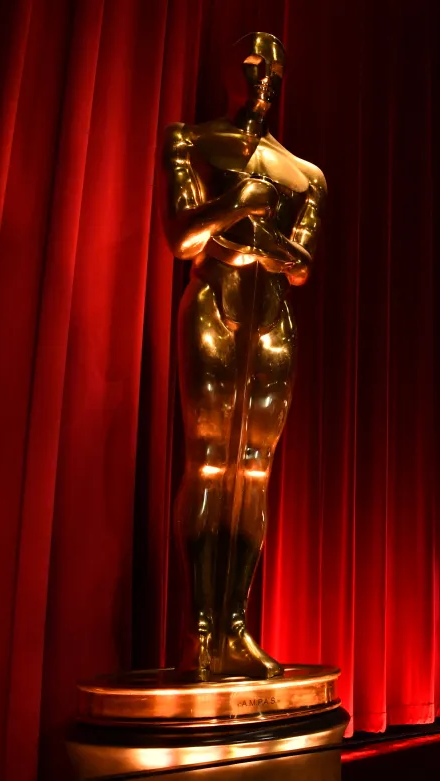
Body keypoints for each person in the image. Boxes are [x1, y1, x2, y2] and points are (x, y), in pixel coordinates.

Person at [159, 32, 325, 680]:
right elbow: (180, 236)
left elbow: (302, 264)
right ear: (235, 69)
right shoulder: (192, 140)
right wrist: (234, 207)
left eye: (273, 66)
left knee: (253, 471)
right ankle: (201, 632)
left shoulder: (305, 173)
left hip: (272, 321)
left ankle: (235, 627)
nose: (263, 76)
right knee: (208, 463)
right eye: (253, 63)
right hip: (214, 302)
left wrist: (261, 234)